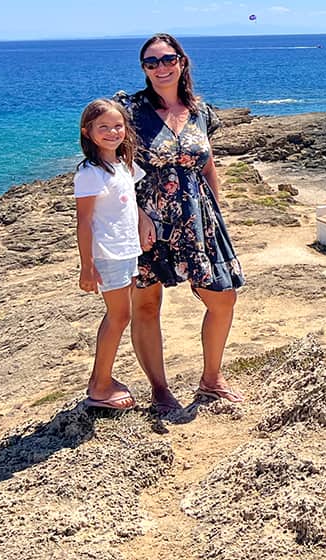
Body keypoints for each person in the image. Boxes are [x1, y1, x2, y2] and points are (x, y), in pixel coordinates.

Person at [115, 34, 245, 411]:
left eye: (167, 58)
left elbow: (208, 163)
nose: (160, 67)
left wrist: (217, 213)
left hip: (198, 216)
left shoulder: (200, 111)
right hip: (146, 220)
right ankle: (159, 390)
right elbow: (116, 165)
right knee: (147, 303)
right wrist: (138, 216)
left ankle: (211, 380)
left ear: (182, 62)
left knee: (224, 297)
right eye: (151, 62)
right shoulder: (129, 110)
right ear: (143, 69)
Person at [75, 99, 145, 410]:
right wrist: (87, 267)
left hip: (127, 251)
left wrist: (144, 221)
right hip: (108, 254)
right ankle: (100, 385)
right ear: (87, 132)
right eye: (102, 127)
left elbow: (130, 200)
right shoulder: (90, 173)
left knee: (121, 315)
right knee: (119, 316)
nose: (112, 131)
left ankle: (101, 380)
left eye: (117, 125)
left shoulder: (123, 165)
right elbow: (84, 221)